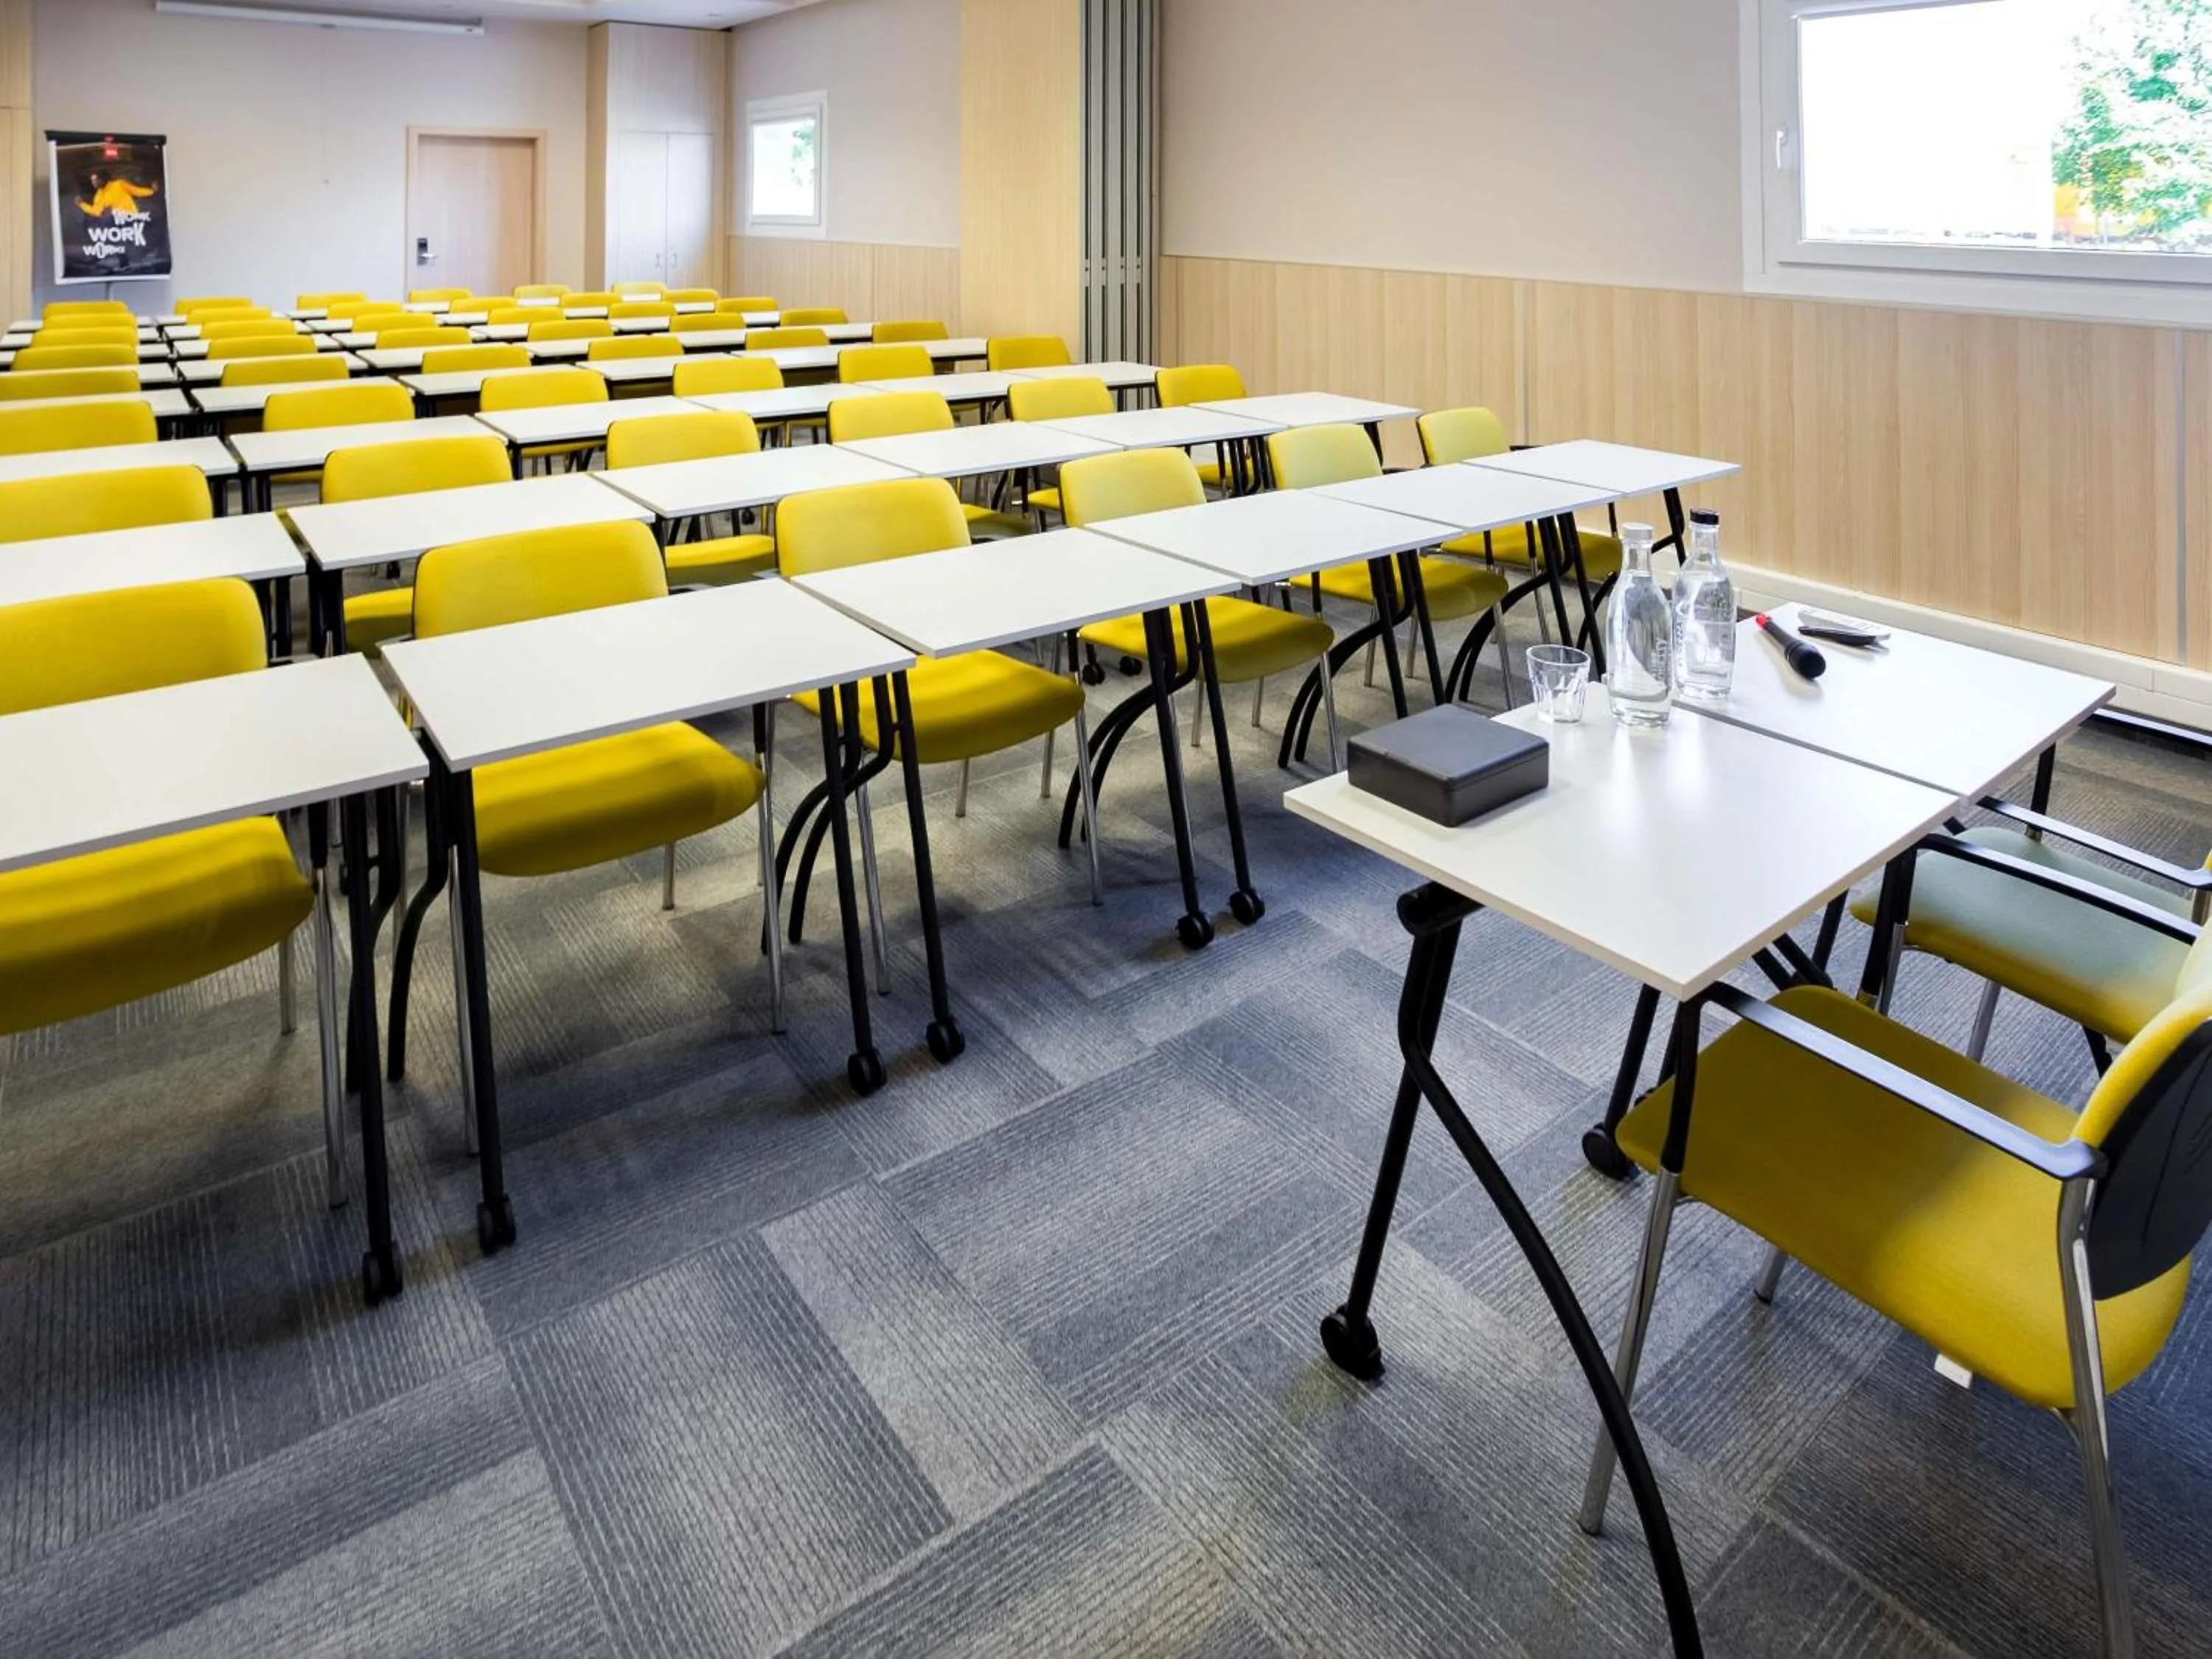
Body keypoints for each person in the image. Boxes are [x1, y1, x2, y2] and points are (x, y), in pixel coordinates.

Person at [77, 172, 158, 220]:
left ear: (103, 179)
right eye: (92, 181)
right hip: (117, 223)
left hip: (132, 218)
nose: (94, 183)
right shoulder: (99, 195)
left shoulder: (119, 184)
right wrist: (82, 204)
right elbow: (97, 212)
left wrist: (152, 191)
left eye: (96, 179)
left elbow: (136, 191)